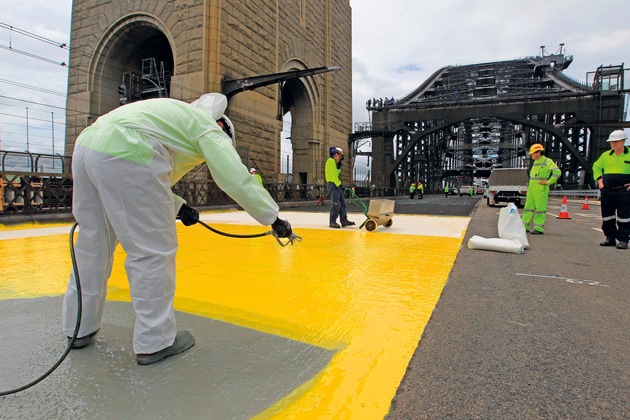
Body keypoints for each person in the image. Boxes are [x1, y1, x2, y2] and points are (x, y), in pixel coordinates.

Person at [62, 93, 294, 365]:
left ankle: (78, 328)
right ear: (223, 127)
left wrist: (179, 206)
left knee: (93, 244)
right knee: (152, 251)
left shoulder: (171, 117)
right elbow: (235, 179)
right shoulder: (209, 128)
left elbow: (141, 181)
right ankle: (155, 341)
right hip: (126, 148)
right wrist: (273, 218)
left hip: (88, 144)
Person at [592, 129, 630, 249]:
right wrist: (599, 180)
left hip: (623, 191)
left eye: (616, 142)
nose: (613, 144)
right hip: (607, 190)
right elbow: (596, 166)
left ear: (623, 141)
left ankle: (623, 239)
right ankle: (610, 237)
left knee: (624, 216)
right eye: (611, 142)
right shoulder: (606, 156)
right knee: (607, 215)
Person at [521, 143, 561, 235]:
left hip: (540, 188)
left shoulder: (547, 161)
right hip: (532, 188)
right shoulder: (535, 162)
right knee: (528, 208)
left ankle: (538, 228)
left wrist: (548, 182)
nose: (531, 155)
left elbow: (557, 172)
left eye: (532, 153)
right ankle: (524, 226)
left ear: (538, 152)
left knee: (540, 209)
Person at [325, 146, 355, 228]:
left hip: (336, 184)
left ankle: (343, 220)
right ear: (335, 154)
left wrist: (339, 166)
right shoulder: (330, 161)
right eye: (340, 155)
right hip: (333, 184)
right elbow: (334, 175)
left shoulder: (334, 163)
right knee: (336, 204)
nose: (340, 157)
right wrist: (339, 184)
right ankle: (332, 222)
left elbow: (337, 173)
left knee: (342, 204)